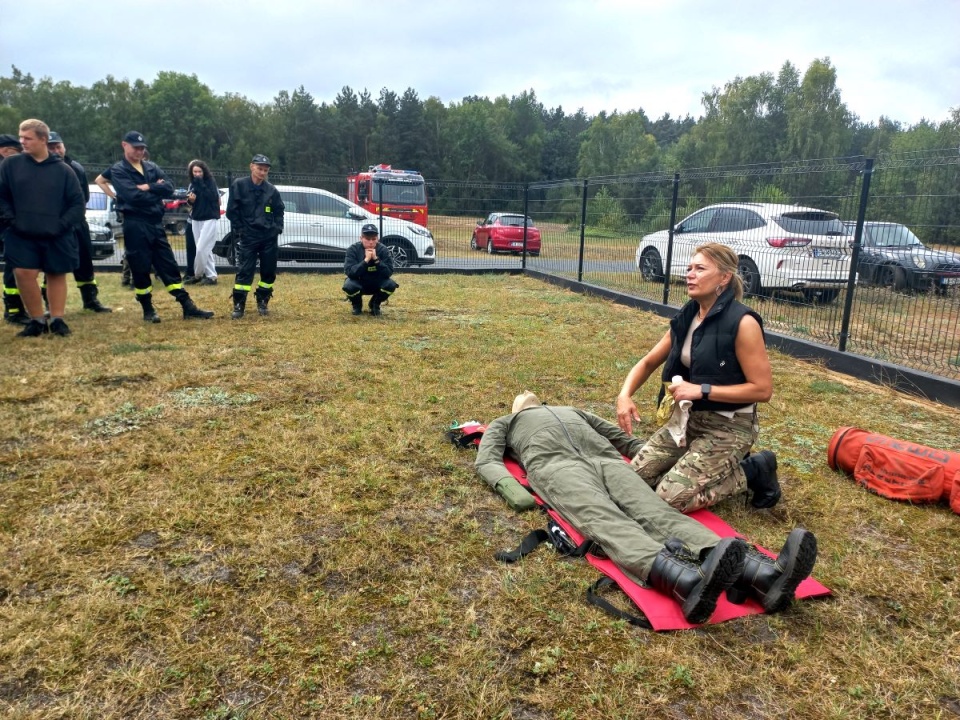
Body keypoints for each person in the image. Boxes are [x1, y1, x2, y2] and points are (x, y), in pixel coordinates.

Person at [475, 392, 818, 623]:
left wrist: (656, 461)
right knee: (606, 519)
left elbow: (618, 437)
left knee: (654, 510)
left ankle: (763, 576)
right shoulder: (508, 423)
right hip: (558, 469)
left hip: (606, 461)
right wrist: (513, 490)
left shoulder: (567, 412)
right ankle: (685, 581)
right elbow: (487, 459)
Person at [616, 243, 781, 512]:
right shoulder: (688, 315)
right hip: (687, 420)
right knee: (631, 481)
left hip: (729, 425)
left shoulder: (743, 323)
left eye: (700, 269)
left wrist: (702, 390)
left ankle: (753, 470)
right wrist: (624, 395)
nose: (690, 274)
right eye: (690, 268)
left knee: (669, 499)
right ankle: (690, 464)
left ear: (724, 277)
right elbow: (648, 362)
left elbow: (762, 390)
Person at [95, 131, 213, 323]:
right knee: (140, 267)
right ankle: (148, 309)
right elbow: (133, 196)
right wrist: (146, 191)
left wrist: (148, 187)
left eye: (142, 148)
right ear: (124, 145)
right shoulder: (119, 170)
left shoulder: (151, 167)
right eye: (136, 148)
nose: (140, 152)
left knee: (168, 263)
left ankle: (187, 306)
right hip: (135, 224)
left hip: (155, 223)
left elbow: (169, 186)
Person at [0, 119, 84, 337]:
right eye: (20, 137)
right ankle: (36, 320)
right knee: (23, 273)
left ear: (43, 140)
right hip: (20, 233)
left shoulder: (64, 170)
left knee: (56, 274)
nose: (22, 142)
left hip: (56, 234)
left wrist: (61, 225)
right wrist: (11, 220)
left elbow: (77, 203)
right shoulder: (10, 165)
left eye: (27, 138)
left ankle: (57, 320)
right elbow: (2, 196)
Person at [46, 131, 112, 314]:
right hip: (55, 227)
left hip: (77, 224)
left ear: (64, 147)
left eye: (57, 146)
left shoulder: (77, 168)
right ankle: (49, 305)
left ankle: (90, 300)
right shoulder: (41, 170)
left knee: (85, 262)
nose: (55, 150)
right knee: (53, 265)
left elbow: (84, 197)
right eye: (50, 147)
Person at [226, 154, 284, 319]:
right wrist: (240, 229)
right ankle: (239, 304)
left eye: (265, 170)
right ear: (251, 166)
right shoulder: (239, 185)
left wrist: (277, 228)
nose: (262, 172)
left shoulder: (271, 190)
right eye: (259, 168)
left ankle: (263, 299)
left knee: (268, 272)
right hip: (248, 236)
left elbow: (279, 211)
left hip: (268, 237)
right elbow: (232, 211)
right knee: (244, 271)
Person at [0, 133, 30, 325]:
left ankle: (15, 309)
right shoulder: (5, 169)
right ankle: (14, 311)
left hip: (9, 224)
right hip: (8, 225)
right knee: (14, 266)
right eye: (13, 151)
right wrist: (13, 220)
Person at [342, 223, 399, 316]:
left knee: (391, 285)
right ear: (361, 238)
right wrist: (366, 260)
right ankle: (357, 305)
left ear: (377, 239)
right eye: (367, 239)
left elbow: (388, 272)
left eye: (373, 239)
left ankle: (374, 305)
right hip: (359, 282)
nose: (371, 242)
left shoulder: (383, 250)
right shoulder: (352, 249)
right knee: (349, 286)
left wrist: (376, 260)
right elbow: (350, 272)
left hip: (377, 282)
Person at [183, 159, 220, 285]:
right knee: (205, 249)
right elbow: (190, 202)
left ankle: (197, 274)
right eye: (195, 172)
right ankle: (211, 276)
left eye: (199, 171)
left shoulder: (210, 182)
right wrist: (191, 200)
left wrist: (201, 185)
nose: (197, 174)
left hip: (209, 217)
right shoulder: (192, 184)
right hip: (196, 217)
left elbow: (213, 198)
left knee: (201, 248)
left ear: (204, 171)